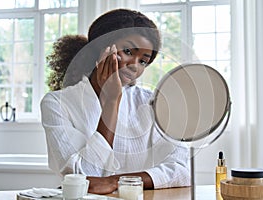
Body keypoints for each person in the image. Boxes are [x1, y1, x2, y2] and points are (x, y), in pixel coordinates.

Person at [41, 8, 190, 195]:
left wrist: (115, 181)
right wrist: (111, 102)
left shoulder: (152, 102)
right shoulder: (57, 103)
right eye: (128, 51)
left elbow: (182, 171)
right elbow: (84, 178)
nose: (135, 66)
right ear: (100, 47)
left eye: (143, 61)